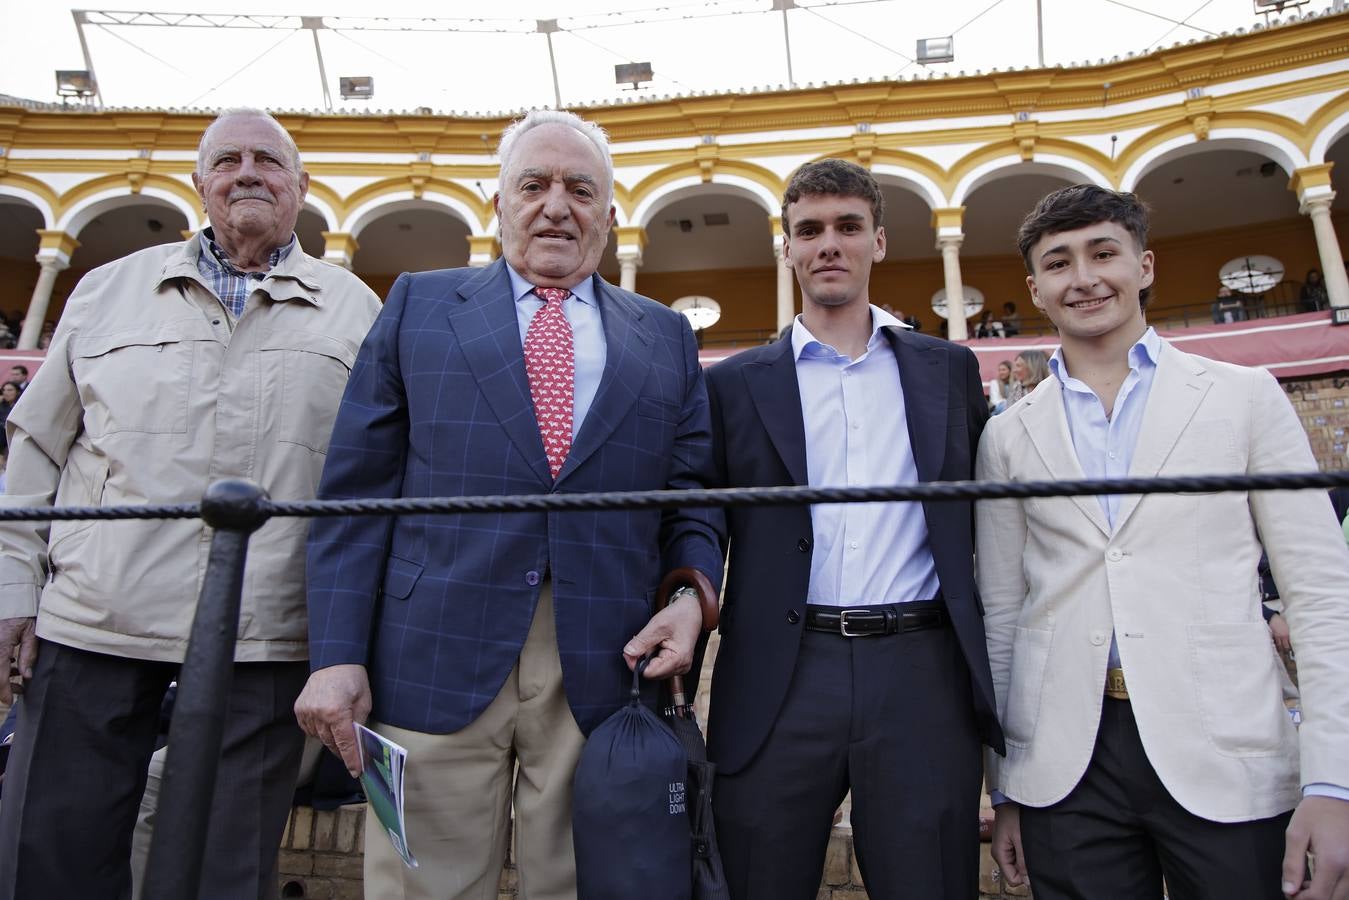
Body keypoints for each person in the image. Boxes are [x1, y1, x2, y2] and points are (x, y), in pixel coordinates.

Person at [295, 109, 725, 900]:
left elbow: (690, 495)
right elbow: (355, 497)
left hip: (604, 665)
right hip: (424, 657)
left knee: (579, 885)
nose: (555, 204)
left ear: (609, 214)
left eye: (579, 188)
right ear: (498, 204)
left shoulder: (665, 337)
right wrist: (335, 655)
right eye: (533, 184)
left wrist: (690, 598)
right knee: (421, 884)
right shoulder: (418, 305)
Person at [0, 107, 381, 900]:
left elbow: (372, 484)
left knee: (223, 870)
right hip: (92, 620)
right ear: (198, 182)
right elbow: (35, 450)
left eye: (269, 161)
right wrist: (12, 593)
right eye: (229, 159)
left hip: (265, 632)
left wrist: (349, 640)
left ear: (302, 188)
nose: (249, 172)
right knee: (49, 854)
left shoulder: (357, 310)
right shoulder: (106, 291)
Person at [977, 184, 1349, 900]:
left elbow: (1320, 594)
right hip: (1065, 766)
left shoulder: (1244, 395)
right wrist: (1008, 786)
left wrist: (1333, 777)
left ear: (1143, 267)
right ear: (1035, 288)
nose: (1083, 277)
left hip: (1227, 747)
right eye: (1058, 263)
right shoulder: (1006, 433)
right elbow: (1003, 614)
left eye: (1103, 253)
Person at [702, 159, 1004, 899]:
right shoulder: (732, 385)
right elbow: (704, 520)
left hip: (920, 671)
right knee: (757, 881)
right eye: (808, 230)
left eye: (846, 227)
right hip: (780, 672)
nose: (827, 244)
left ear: (878, 242)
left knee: (928, 882)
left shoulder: (948, 370)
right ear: (788, 248)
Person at [0, 382, 22, 455]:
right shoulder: (2, 406)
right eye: (4, 390)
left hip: (14, 435)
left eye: (10, 390)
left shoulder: (21, 406)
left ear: (17, 392)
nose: (6, 393)